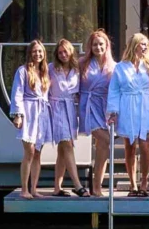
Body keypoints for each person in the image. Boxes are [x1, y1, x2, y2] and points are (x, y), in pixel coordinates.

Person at [110, 31, 149, 195]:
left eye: (147, 44)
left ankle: (144, 182)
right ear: (134, 45)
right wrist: (113, 111)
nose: (145, 46)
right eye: (142, 43)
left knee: (145, 146)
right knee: (130, 147)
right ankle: (133, 184)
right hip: (128, 106)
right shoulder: (120, 67)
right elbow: (114, 90)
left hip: (145, 107)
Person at [9, 40, 51, 197]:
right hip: (29, 112)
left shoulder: (45, 71)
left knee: (38, 153)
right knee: (29, 152)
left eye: (40, 51)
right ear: (30, 53)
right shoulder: (23, 71)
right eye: (35, 51)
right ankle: (24, 189)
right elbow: (17, 93)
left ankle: (34, 188)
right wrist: (18, 115)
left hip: (42, 114)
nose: (38, 54)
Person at [79, 29, 117, 195]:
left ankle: (96, 186)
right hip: (87, 106)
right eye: (95, 44)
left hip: (104, 107)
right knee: (107, 140)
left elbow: (117, 89)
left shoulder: (113, 66)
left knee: (103, 146)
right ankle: (96, 186)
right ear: (90, 46)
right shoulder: (82, 63)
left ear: (106, 45)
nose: (98, 47)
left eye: (101, 44)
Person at [46, 39, 83, 195]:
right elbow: (44, 87)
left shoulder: (77, 69)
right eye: (60, 52)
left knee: (62, 150)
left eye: (65, 51)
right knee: (67, 145)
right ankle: (78, 185)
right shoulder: (51, 68)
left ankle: (57, 188)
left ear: (71, 51)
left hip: (71, 109)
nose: (63, 55)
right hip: (56, 108)